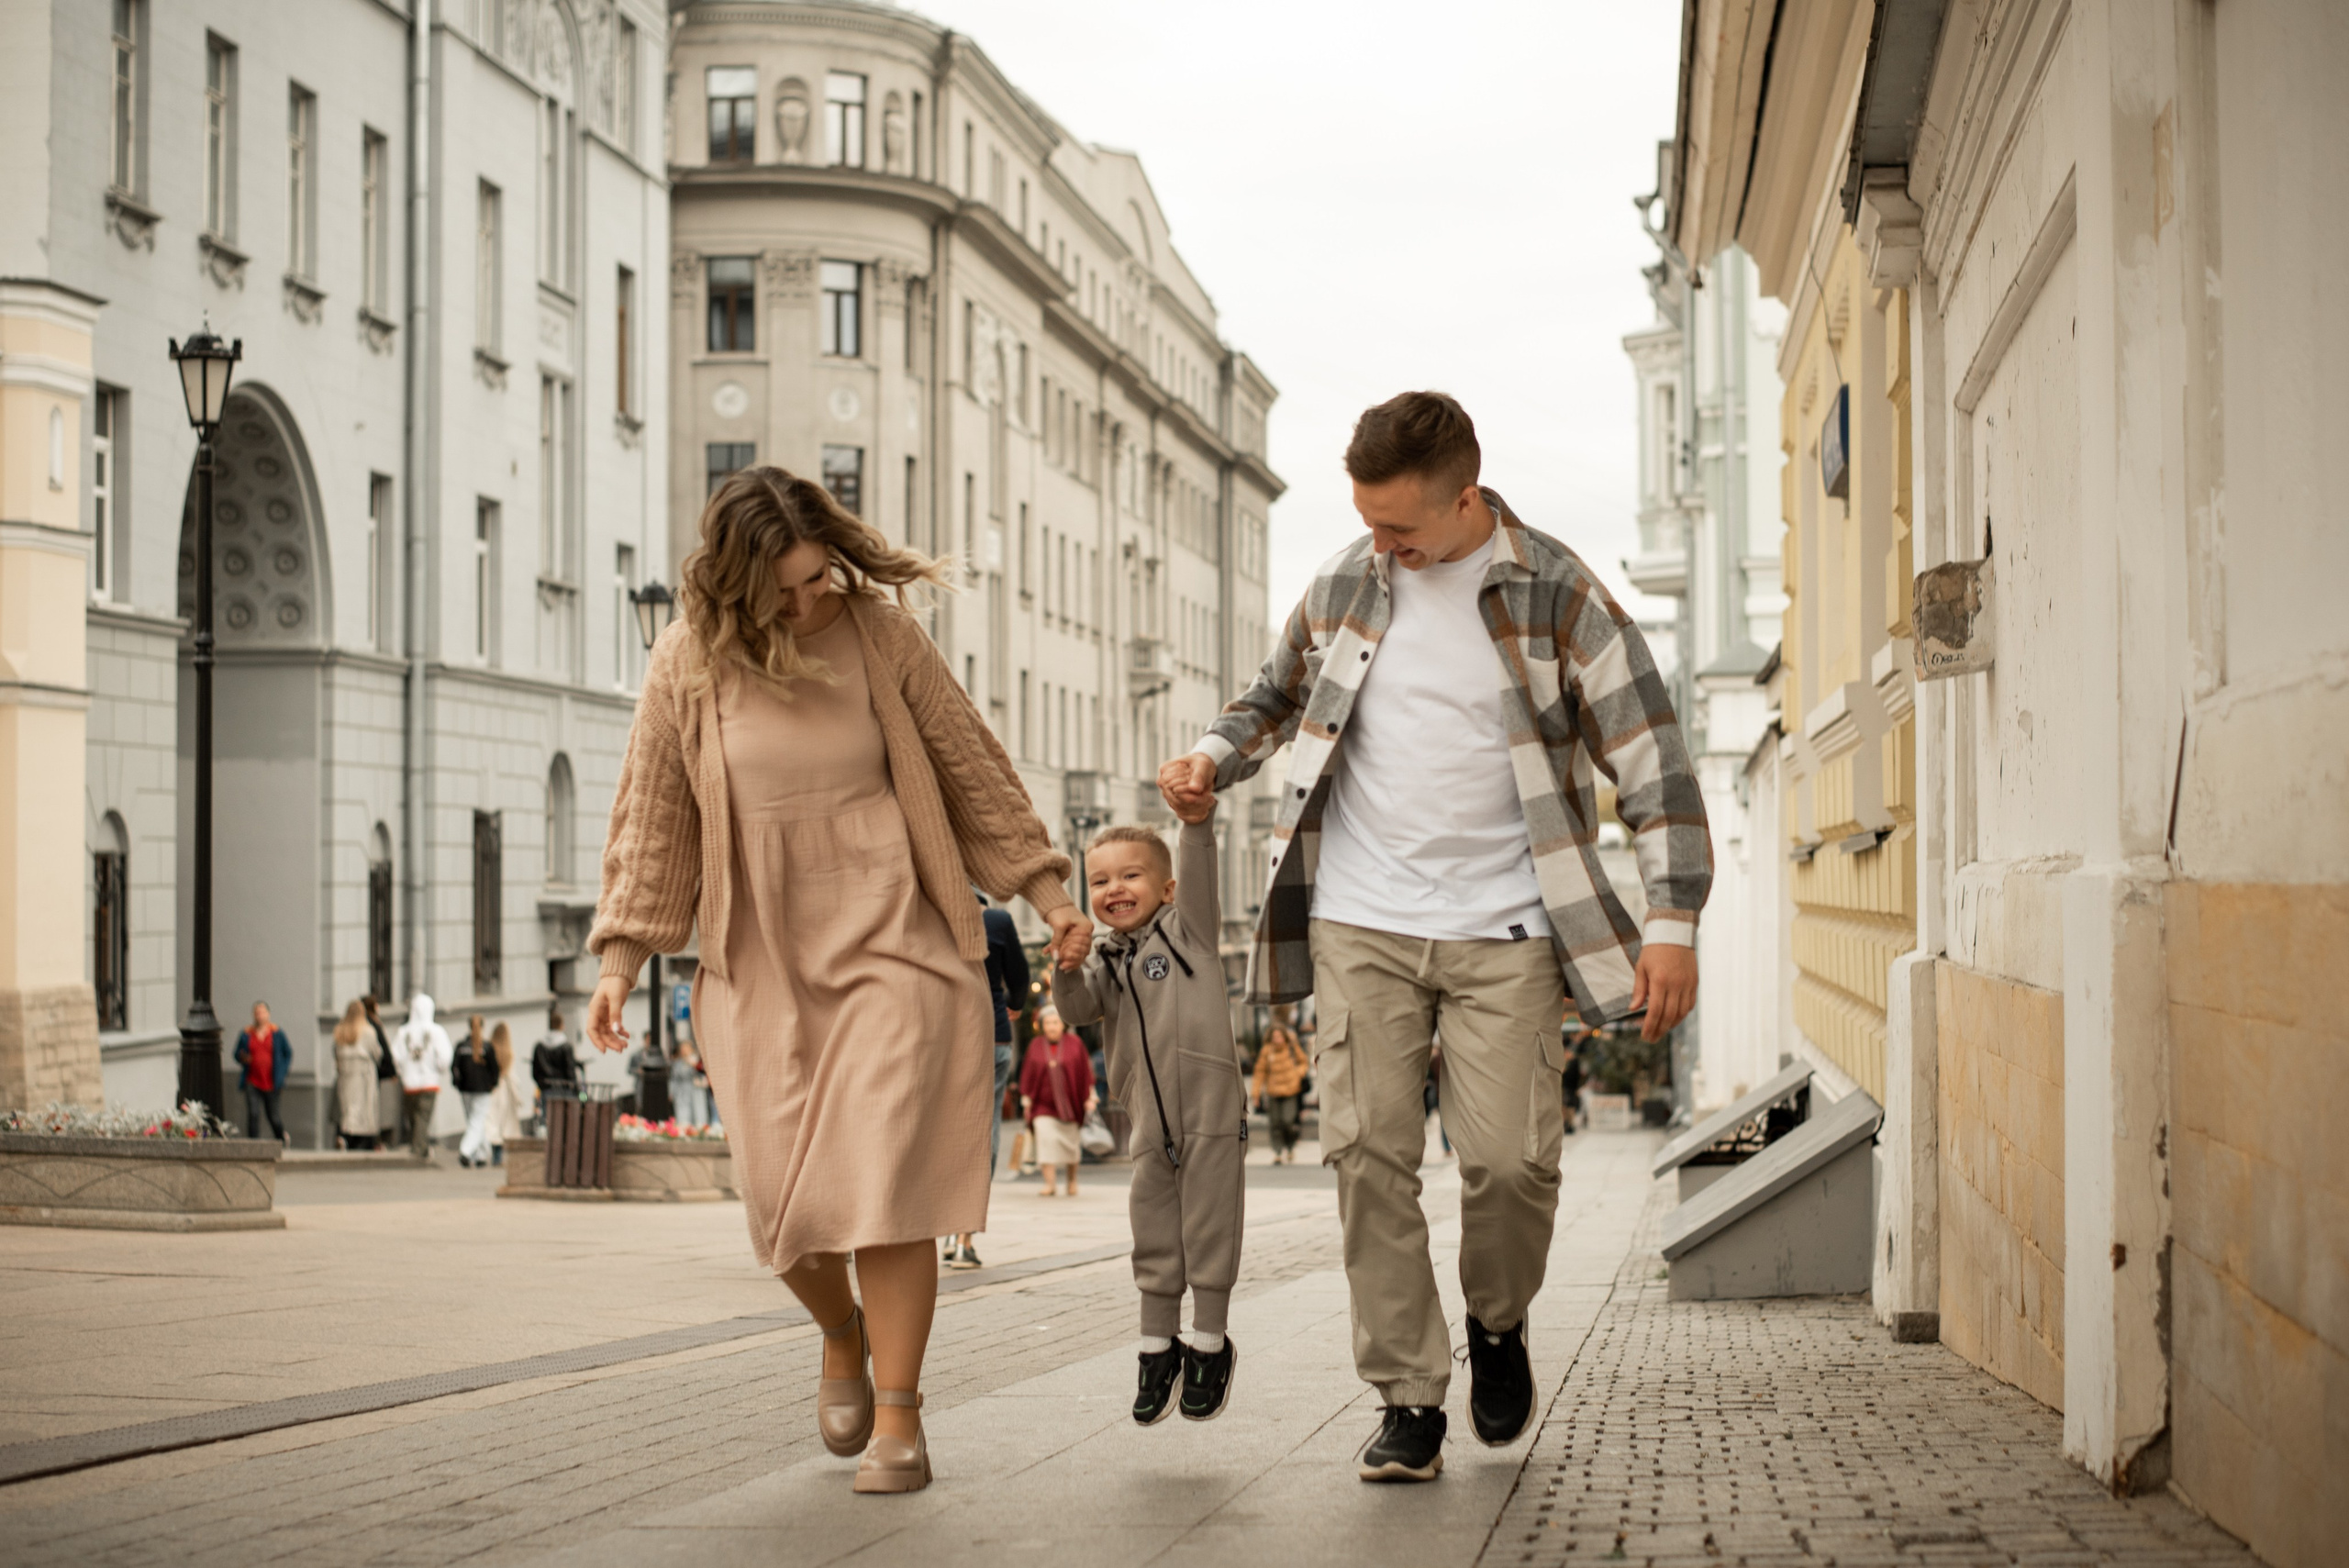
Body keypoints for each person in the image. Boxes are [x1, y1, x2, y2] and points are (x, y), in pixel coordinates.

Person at [1158, 391, 1708, 1483]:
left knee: (1510, 1162)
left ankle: (1496, 1322)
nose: (1380, 543)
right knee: (1366, 1154)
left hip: (1509, 926)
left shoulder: (1558, 593)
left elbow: (1652, 756)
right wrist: (1212, 758)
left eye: (1399, 525)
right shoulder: (1346, 583)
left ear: (1465, 497)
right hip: (1360, 916)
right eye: (1367, 520)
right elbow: (1270, 698)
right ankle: (1407, 1393)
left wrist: (1671, 921)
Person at [584, 464, 1088, 1496]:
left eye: (819, 576)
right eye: (786, 589)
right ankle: (841, 1329)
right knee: (783, 1210)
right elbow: (654, 814)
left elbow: (969, 765)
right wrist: (621, 958)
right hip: (758, 957)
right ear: (736, 583)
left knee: (888, 1183)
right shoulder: (687, 659)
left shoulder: (879, 635)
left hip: (897, 940)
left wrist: (1049, 893)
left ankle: (900, 1415)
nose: (811, 599)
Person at [1055, 807, 1247, 1425]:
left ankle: (1209, 1343)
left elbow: (1198, 863)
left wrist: (1196, 823)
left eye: (1130, 875)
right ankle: (1157, 1346)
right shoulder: (1106, 961)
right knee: (1154, 1232)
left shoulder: (1192, 931)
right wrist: (1065, 965)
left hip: (1211, 1113)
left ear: (1167, 889)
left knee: (1209, 1228)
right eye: (1100, 880)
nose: (1114, 889)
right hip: (1147, 1121)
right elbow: (1078, 1009)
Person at [947, 894, 1030, 1270]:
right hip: (991, 1033)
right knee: (986, 1128)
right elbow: (1020, 977)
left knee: (944, 1133)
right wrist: (1015, 1003)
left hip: (944, 1038)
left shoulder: (927, 916)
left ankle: (946, 1222)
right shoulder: (996, 921)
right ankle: (963, 1237)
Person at [1018, 1006, 1094, 1198]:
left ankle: (1072, 1180)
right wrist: (1026, 1100)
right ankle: (1049, 1184)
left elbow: (1085, 1072)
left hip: (1071, 1105)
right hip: (1043, 1107)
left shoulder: (1075, 1043)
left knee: (1071, 1148)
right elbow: (1027, 1073)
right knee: (1045, 1142)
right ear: (1042, 1026)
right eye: (1048, 1023)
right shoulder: (1035, 1045)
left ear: (1062, 1025)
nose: (1051, 1027)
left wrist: (1090, 1097)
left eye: (1055, 1023)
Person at [392, 994, 454, 1159]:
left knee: (414, 1118)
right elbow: (445, 1057)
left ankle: (420, 1147)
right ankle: (419, 1149)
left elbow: (395, 1056)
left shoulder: (403, 1032)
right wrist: (438, 1069)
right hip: (429, 1082)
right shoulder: (437, 1031)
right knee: (422, 1117)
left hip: (409, 1083)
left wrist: (402, 1072)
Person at [233, 1002, 292, 1143]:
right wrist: (243, 1057)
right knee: (253, 1113)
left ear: (268, 1014)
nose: (259, 1016)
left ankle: (281, 1139)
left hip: (271, 1081)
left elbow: (288, 1053)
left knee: (273, 1116)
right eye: (257, 1013)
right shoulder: (247, 1034)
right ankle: (253, 1145)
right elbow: (237, 1054)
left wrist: (282, 1073)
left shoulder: (277, 1033)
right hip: (252, 1080)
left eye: (262, 1012)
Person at [1251, 1024, 1309, 1164]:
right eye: (1274, 1036)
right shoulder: (1267, 1051)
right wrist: (1256, 1094)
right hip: (1273, 1091)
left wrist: (1297, 1074)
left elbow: (1304, 1062)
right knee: (1275, 1124)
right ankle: (1277, 1151)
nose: (1277, 1039)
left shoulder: (1291, 1048)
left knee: (1288, 1121)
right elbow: (1260, 1072)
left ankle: (1290, 1146)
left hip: (1290, 1091)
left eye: (1279, 1036)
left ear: (1284, 1037)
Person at [331, 998, 382, 1150]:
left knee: (347, 1108)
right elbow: (377, 1053)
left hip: (345, 1075)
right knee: (364, 1109)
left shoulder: (340, 1031)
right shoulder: (368, 1031)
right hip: (363, 1075)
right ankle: (361, 1140)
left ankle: (345, 1136)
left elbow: (335, 1054)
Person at [452, 1015, 501, 1167]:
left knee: (474, 1121)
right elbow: (495, 1069)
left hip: (466, 1089)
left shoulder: (461, 1046)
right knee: (477, 1121)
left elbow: (454, 1067)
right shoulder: (486, 1047)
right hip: (483, 1089)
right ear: (482, 1027)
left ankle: (481, 1155)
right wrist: (493, 1083)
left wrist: (458, 1084)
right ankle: (466, 1151)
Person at [532, 1006, 581, 1133]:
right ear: (561, 1025)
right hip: (564, 1089)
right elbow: (570, 1070)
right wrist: (576, 1089)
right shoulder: (566, 1046)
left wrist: (542, 1084)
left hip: (546, 1088)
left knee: (548, 1119)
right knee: (565, 1121)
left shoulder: (540, 1046)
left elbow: (535, 1070)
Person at [489, 1021, 531, 1164]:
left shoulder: (490, 1050)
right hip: (505, 1092)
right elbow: (512, 1078)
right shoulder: (508, 1054)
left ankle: (494, 1153)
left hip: (492, 1091)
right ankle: (498, 1156)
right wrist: (517, 1096)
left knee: (493, 1123)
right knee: (503, 1124)